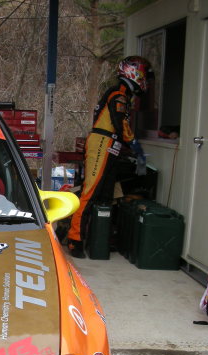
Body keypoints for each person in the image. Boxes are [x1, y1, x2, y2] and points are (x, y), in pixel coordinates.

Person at [67, 56, 151, 258]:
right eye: (143, 74)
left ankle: (99, 239)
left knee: (106, 196)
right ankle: (74, 239)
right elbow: (120, 123)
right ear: (134, 72)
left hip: (111, 145)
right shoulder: (118, 94)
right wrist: (134, 145)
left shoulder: (123, 95)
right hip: (102, 144)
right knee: (90, 193)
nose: (144, 79)